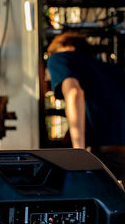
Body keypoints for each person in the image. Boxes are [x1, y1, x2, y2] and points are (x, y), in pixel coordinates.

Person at [46, 32, 125, 181]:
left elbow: (74, 93)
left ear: (70, 47)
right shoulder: (114, 69)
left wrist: (79, 153)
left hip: (101, 157)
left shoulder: (60, 58)